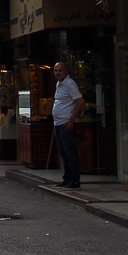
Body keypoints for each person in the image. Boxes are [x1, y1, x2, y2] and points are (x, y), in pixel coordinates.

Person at [52, 61, 85, 189]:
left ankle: (74, 180)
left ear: (66, 71)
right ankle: (67, 178)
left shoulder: (70, 84)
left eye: (59, 70)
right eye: (55, 70)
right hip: (58, 124)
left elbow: (80, 101)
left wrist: (71, 119)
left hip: (66, 124)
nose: (57, 73)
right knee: (63, 153)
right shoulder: (59, 84)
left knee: (70, 152)